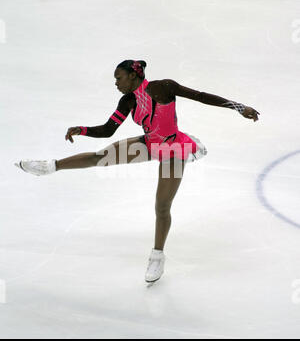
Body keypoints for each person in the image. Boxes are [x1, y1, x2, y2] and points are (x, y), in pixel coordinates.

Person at [15, 60, 260, 283]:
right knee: (100, 157)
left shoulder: (162, 87)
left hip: (174, 148)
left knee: (162, 206)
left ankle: (157, 256)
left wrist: (239, 107)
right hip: (149, 143)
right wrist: (82, 129)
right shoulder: (128, 100)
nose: (115, 83)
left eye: (118, 78)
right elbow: (108, 129)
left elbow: (201, 96)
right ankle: (49, 167)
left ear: (134, 76)